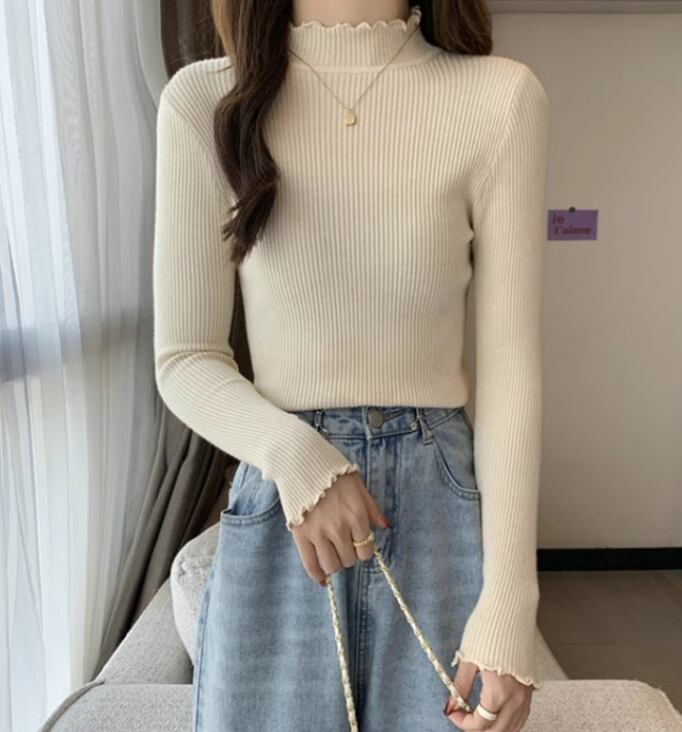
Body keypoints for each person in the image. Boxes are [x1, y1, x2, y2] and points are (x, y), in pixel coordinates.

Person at [152, 1, 550, 730]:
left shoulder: (500, 98)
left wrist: (509, 605)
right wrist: (299, 458)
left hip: (439, 507)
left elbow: (510, 374)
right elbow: (185, 358)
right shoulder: (205, 100)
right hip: (284, 507)